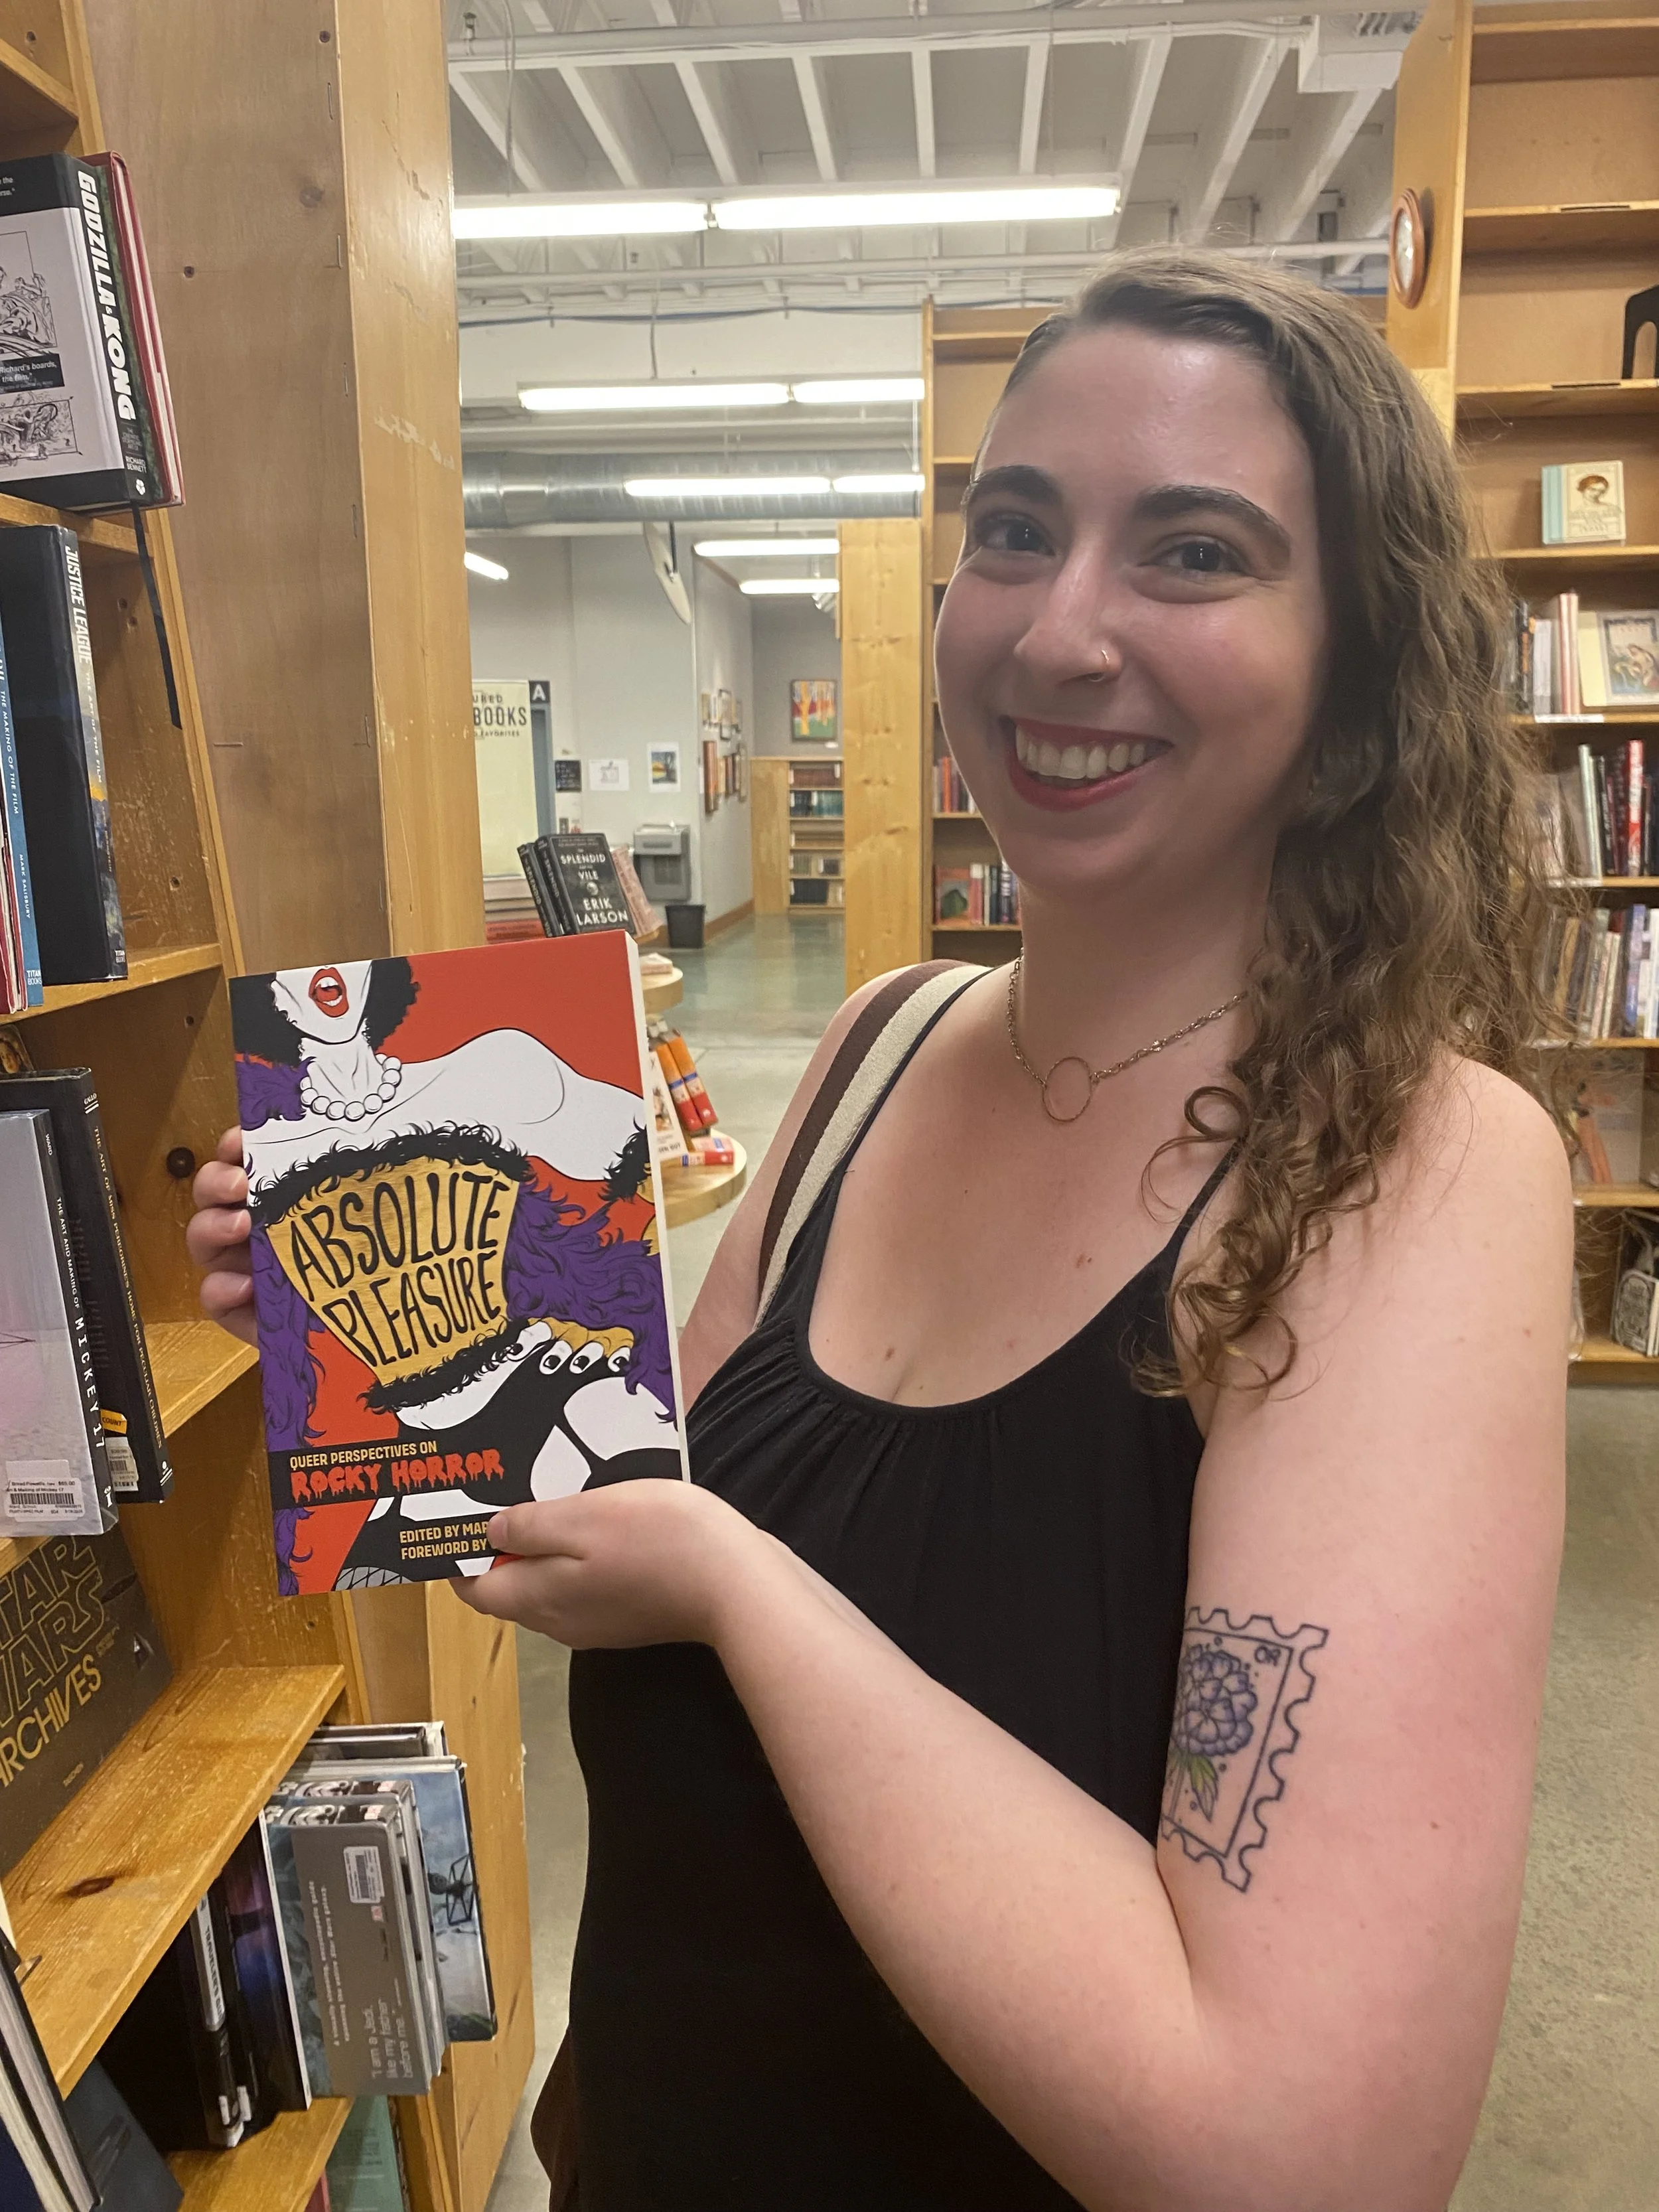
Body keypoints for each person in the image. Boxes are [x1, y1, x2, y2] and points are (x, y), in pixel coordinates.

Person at [189, 248, 1572, 2211]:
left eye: (1190, 552)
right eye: (1014, 530)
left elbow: (1293, 2158)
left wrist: (744, 1598)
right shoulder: (873, 1046)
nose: (1057, 633)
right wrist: (371, 1329)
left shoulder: (1412, 1176)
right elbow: (622, 1514)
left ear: (1353, 682)